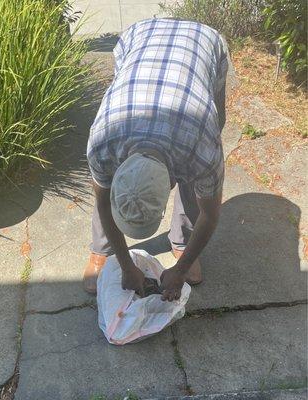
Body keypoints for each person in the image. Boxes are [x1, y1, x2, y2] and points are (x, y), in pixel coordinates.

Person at [84, 18, 228, 302]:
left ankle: (183, 239)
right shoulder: (102, 141)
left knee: (198, 178)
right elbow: (102, 200)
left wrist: (181, 267)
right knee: (189, 167)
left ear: (170, 184)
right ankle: (102, 248)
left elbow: (211, 214)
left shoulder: (201, 148)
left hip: (203, 43)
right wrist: (126, 266)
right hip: (140, 38)